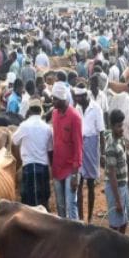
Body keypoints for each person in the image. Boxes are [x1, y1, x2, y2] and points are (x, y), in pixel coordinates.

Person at [12, 97, 53, 209]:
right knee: (43, 199)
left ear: (29, 110)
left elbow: (14, 140)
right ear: (40, 110)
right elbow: (50, 149)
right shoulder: (47, 128)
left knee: (28, 202)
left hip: (28, 166)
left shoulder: (24, 126)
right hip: (43, 167)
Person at [74, 85, 105, 224]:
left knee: (91, 183)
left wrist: (102, 153)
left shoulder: (96, 108)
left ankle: (90, 217)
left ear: (85, 96)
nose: (77, 100)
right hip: (80, 143)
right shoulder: (77, 108)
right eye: (76, 98)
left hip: (92, 145)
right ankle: (81, 217)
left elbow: (102, 132)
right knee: (79, 182)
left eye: (79, 98)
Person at [51, 81, 82, 220]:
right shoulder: (54, 114)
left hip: (70, 169)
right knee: (60, 206)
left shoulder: (75, 117)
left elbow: (78, 146)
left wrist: (75, 175)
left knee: (71, 205)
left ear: (63, 99)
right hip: (57, 168)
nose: (53, 101)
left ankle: (75, 238)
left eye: (55, 99)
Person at [103, 109, 129, 233]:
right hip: (115, 187)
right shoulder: (111, 147)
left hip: (122, 186)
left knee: (124, 220)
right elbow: (112, 175)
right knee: (115, 224)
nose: (122, 129)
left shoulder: (119, 139)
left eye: (122, 125)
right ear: (112, 126)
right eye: (119, 126)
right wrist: (118, 200)